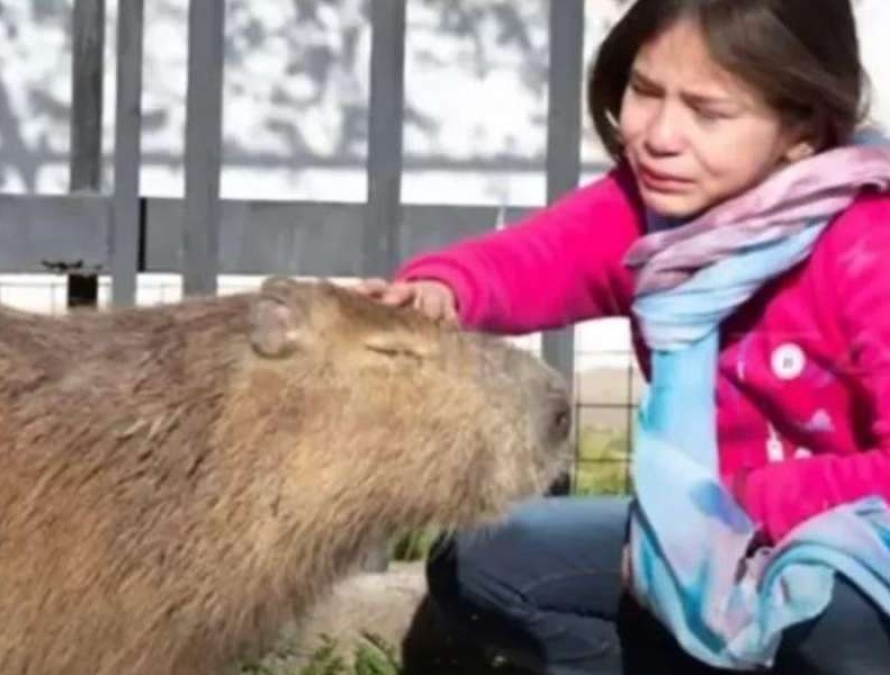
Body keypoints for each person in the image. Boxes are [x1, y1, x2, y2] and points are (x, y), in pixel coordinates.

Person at [356, 1, 890, 673]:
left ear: (802, 131)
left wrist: (740, 501)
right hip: (715, 533)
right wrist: (442, 291)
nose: (660, 135)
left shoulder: (869, 242)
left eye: (708, 112)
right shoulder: (653, 214)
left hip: (851, 552)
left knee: (828, 610)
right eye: (644, 91)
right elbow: (537, 258)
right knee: (486, 564)